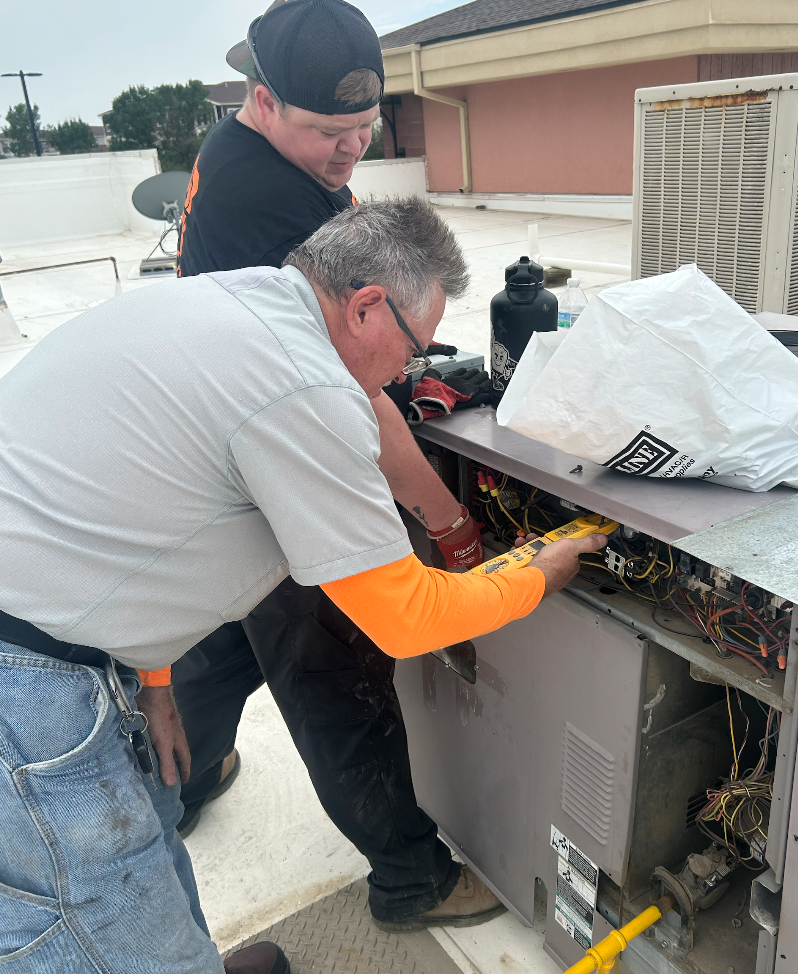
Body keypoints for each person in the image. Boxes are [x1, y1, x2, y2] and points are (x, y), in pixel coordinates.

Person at [0, 198, 608, 974]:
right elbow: (410, 620)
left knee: (143, 851)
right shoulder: (300, 384)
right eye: (414, 351)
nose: (405, 375)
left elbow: (118, 508)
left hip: (58, 636)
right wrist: (542, 572)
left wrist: (153, 679)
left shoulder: (236, 299)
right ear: (364, 307)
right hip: (29, 687)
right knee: (91, 912)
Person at [173, 0, 491, 931]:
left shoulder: (266, 159)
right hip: (273, 466)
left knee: (226, 634)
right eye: (328, 132)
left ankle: (190, 776)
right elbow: (350, 393)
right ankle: (411, 878)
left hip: (226, 452)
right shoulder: (261, 196)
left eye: (365, 129)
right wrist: (449, 522)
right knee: (332, 670)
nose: (350, 151)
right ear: (261, 100)